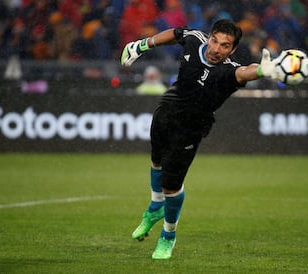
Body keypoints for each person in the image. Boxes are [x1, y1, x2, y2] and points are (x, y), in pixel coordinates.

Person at [120, 19, 280, 260]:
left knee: (171, 186)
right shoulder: (195, 39)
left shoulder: (229, 71)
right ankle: (154, 208)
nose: (216, 49)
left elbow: (244, 72)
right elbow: (175, 34)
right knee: (156, 161)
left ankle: (168, 236)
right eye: (214, 41)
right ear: (210, 37)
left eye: (224, 46)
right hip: (168, 108)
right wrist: (142, 45)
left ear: (232, 50)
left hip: (192, 127)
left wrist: (261, 70)